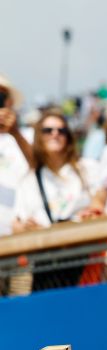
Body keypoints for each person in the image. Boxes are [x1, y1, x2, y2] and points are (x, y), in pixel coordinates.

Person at [12, 110, 101, 231]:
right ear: (39, 136)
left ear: (68, 136)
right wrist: (27, 227)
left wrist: (92, 212)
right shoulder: (29, 180)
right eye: (48, 130)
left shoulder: (87, 168)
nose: (55, 134)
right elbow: (16, 223)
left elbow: (101, 203)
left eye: (61, 131)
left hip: (85, 240)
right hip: (47, 245)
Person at [0, 75, 31, 237]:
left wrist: (15, 133)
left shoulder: (28, 136)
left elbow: (41, 166)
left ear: (9, 102)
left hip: (17, 236)